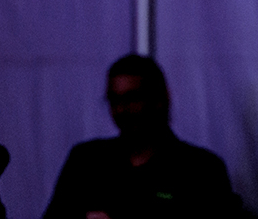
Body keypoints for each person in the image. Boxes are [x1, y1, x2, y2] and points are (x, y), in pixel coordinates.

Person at [43, 54, 239, 219]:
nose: (122, 110)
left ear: (160, 99)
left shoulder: (200, 170)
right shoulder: (86, 161)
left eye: (132, 99)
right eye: (114, 100)